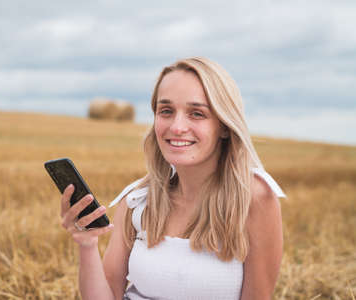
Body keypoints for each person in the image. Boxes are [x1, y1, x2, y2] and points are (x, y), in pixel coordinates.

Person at [60, 57, 286, 300]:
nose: (177, 127)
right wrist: (87, 244)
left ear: (224, 126)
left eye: (197, 114)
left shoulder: (254, 198)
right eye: (166, 111)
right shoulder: (137, 200)